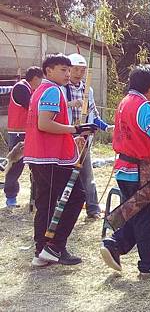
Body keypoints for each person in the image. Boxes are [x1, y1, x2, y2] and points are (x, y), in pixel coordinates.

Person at [23, 53, 98, 267]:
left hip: (40, 155)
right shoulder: (53, 91)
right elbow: (44, 124)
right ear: (48, 71)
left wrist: (72, 137)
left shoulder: (42, 90)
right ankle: (55, 246)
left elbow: (47, 126)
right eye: (62, 69)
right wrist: (76, 129)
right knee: (76, 197)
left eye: (68, 69)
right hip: (51, 157)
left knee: (46, 203)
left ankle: (41, 251)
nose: (67, 74)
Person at [99, 64, 150, 276]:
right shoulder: (143, 106)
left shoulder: (125, 102)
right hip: (142, 170)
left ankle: (116, 244)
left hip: (126, 169)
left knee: (138, 212)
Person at [65, 53, 114, 219]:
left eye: (82, 70)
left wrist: (107, 128)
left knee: (87, 174)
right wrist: (70, 104)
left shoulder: (88, 90)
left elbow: (94, 114)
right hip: (65, 137)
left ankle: (92, 209)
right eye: (75, 69)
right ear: (68, 70)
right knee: (64, 175)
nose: (79, 73)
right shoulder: (61, 88)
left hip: (84, 138)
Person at [4, 66, 44, 208]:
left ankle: (35, 198)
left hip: (29, 132)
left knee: (36, 166)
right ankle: (11, 197)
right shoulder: (20, 88)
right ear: (35, 79)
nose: (42, 83)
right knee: (16, 165)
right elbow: (31, 106)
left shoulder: (31, 89)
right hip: (18, 133)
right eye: (41, 80)